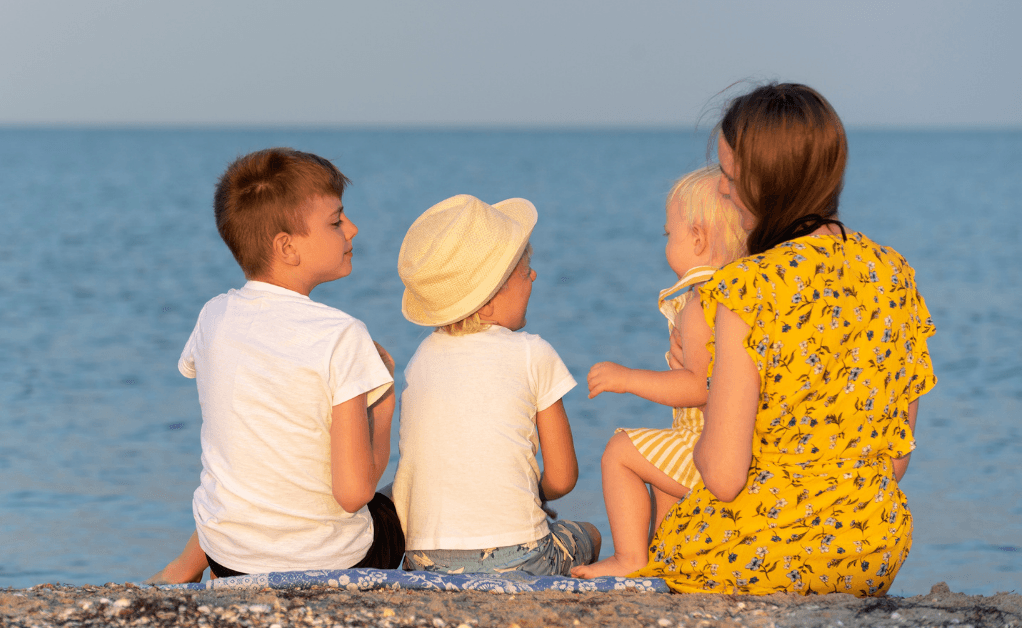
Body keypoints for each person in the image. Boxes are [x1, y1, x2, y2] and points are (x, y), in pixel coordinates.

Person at [628, 83, 936, 596]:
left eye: (729, 176)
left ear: (766, 182)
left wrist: (709, 386)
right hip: (871, 550)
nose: (724, 191)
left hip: (758, 551)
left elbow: (724, 477)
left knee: (670, 534)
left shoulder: (747, 287)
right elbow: (896, 461)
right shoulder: (894, 273)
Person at [146, 148, 404, 583]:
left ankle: (183, 567)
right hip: (331, 564)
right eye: (337, 221)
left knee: (252, 461)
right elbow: (354, 493)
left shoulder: (214, 316)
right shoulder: (341, 335)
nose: (353, 229)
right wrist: (383, 400)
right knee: (411, 494)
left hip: (228, 557)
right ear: (286, 247)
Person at [392, 194, 602, 576]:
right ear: (486, 304)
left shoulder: (421, 359)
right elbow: (563, 476)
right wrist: (533, 495)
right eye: (526, 270)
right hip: (519, 557)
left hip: (424, 559)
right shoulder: (531, 353)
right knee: (589, 534)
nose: (534, 275)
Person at [571, 166, 747, 579]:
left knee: (621, 452)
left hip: (712, 446)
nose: (667, 243)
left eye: (670, 234)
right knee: (662, 469)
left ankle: (630, 557)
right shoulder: (741, 289)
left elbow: (698, 386)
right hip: (730, 444)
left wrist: (627, 378)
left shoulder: (703, 302)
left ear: (699, 238)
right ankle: (666, 556)